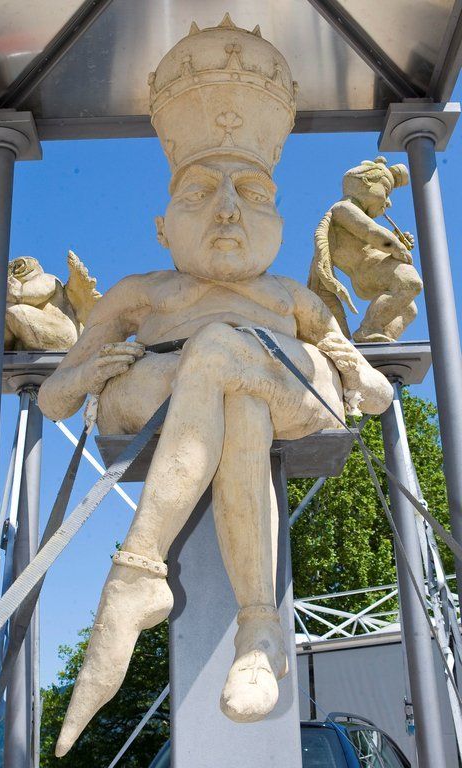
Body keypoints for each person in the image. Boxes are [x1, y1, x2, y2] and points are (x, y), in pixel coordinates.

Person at [38, 15, 393, 757]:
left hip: (286, 385)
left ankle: (137, 573)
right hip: (169, 389)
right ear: (162, 226)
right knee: (230, 381)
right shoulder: (141, 291)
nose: (228, 208)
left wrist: (360, 374)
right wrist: (85, 370)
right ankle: (258, 631)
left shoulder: (291, 296)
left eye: (251, 192)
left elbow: (364, 382)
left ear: (278, 221)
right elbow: (54, 399)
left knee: (224, 356)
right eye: (201, 191)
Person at [308, 157, 423, 342]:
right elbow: (370, 231)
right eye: (386, 191)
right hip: (368, 269)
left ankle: (383, 337)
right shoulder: (343, 209)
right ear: (367, 183)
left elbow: (370, 237)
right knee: (410, 282)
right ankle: (368, 329)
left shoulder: (347, 212)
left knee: (409, 309)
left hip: (372, 271)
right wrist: (396, 245)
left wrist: (394, 238)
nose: (388, 202)